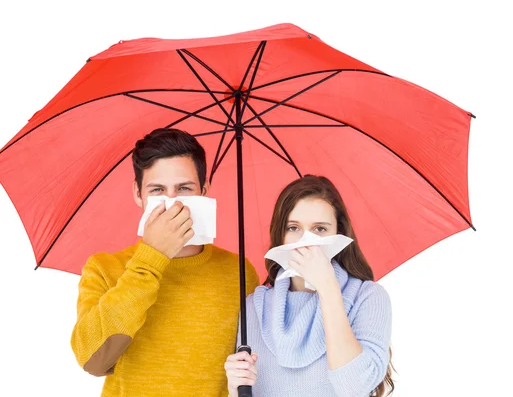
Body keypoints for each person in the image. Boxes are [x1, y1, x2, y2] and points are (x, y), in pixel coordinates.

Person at [71, 128, 259, 397]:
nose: (172, 203)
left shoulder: (238, 272)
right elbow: (92, 359)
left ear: (204, 191)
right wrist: (151, 258)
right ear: (138, 194)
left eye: (184, 188)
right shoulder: (104, 268)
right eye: (158, 190)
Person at [225, 175, 395, 396]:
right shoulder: (252, 308)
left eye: (320, 229)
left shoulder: (368, 297)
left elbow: (355, 387)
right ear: (280, 236)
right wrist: (233, 388)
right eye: (294, 228)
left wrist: (327, 287)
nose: (306, 240)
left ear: (339, 233)